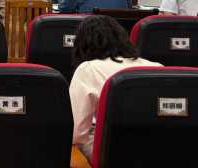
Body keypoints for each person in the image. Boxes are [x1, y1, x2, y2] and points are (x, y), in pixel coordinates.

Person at [69, 15, 161, 159]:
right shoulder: (157, 67)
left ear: (82, 44)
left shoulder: (88, 69)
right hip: (159, 149)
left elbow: (76, 133)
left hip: (114, 153)